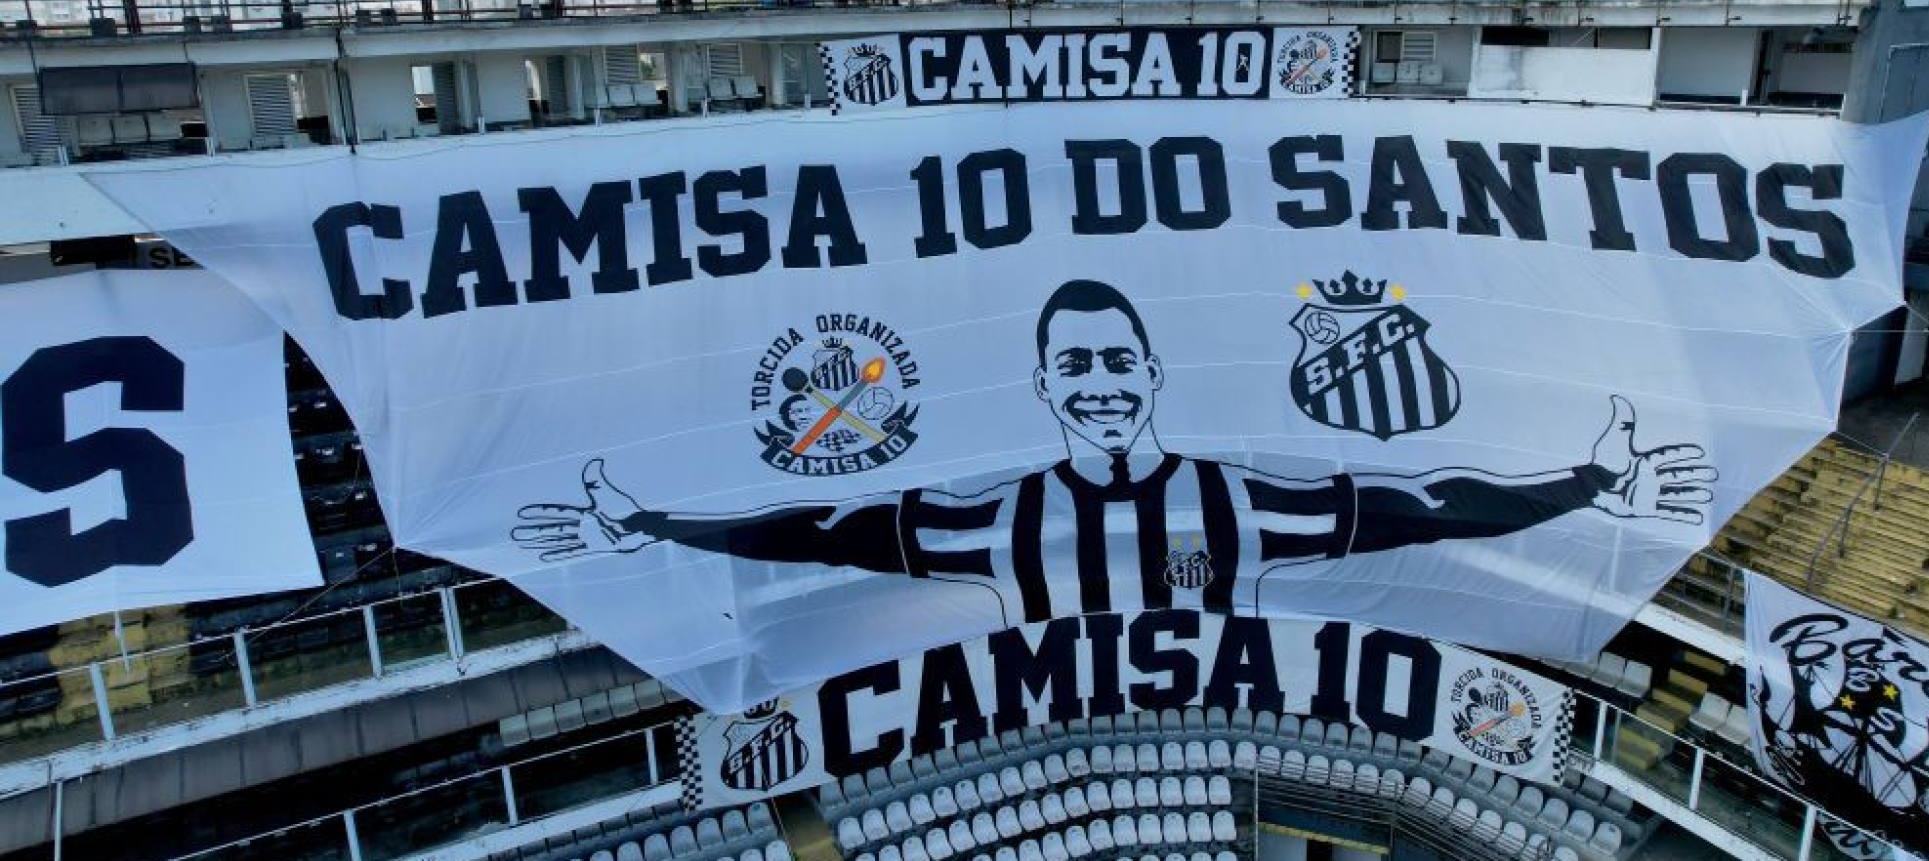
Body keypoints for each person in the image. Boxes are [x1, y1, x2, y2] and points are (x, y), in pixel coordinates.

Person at [513, 279, 1714, 624]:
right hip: (1034, 711)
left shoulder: (1241, 500)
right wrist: (653, 520)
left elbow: (1427, 504)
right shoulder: (989, 518)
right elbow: (815, 530)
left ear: (1150, 373)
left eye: (1116, 361)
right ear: (1044, 385)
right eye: (1074, 365)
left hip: (1216, 700)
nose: (1099, 383)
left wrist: (1586, 482)